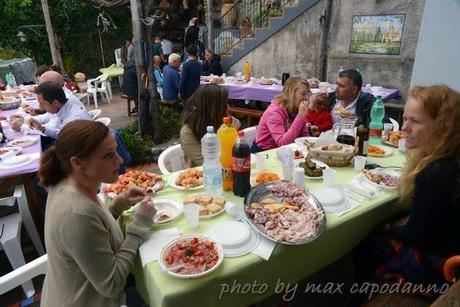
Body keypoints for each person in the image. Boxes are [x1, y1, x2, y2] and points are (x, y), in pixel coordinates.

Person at [353, 85, 460, 302]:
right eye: (405, 119)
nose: (404, 128)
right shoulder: (450, 157)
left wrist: (388, 226)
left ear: (443, 127)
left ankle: (364, 295)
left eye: (415, 121)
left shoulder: (435, 172)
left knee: (365, 241)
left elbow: (417, 235)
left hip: (443, 265)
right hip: (449, 244)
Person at [38, 120, 156, 306]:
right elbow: (112, 284)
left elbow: (94, 230)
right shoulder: (76, 213)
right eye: (109, 156)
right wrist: (139, 225)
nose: (120, 160)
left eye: (115, 151)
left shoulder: (69, 183)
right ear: (78, 163)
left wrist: (120, 203)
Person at [180, 84, 240, 166]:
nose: (228, 107)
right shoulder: (187, 132)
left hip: (228, 169)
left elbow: (237, 125)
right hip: (203, 175)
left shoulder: (222, 122)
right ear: (214, 108)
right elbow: (206, 163)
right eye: (225, 104)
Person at [253, 77, 310, 152]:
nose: (306, 98)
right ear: (291, 94)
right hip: (264, 153)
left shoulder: (295, 108)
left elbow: (304, 136)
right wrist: (300, 117)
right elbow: (282, 143)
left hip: (284, 151)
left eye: (308, 94)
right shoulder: (274, 112)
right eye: (303, 94)